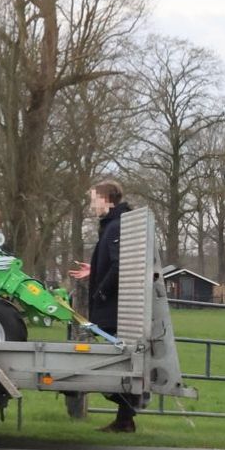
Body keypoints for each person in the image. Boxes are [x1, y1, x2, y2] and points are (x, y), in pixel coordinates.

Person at [69, 180, 136, 433]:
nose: (91, 205)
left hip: (112, 309)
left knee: (111, 368)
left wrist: (101, 292)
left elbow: (120, 265)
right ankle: (125, 420)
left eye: (93, 199)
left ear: (107, 199)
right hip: (110, 307)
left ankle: (128, 413)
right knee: (115, 366)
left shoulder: (116, 226)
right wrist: (94, 269)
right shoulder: (112, 226)